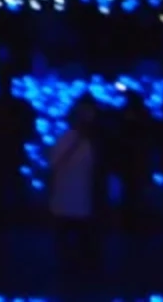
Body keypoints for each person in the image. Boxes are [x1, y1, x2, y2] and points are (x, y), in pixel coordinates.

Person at [48, 102, 98, 295]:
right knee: (65, 243)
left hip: (81, 202)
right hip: (66, 201)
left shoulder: (89, 143)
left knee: (77, 242)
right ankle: (66, 281)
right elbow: (54, 163)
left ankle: (77, 280)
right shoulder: (66, 139)